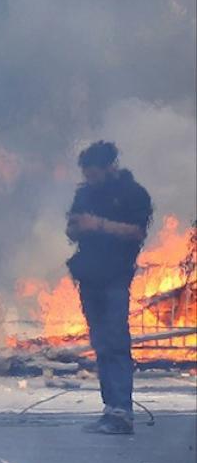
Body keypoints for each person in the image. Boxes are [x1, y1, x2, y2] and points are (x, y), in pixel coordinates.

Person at [66, 141, 153, 435]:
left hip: (116, 275)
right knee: (101, 344)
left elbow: (137, 231)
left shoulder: (133, 194)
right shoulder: (84, 193)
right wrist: (78, 226)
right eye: (86, 174)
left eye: (93, 174)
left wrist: (98, 225)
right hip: (90, 275)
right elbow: (72, 227)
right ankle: (110, 409)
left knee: (116, 342)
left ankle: (122, 411)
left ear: (110, 167)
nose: (89, 179)